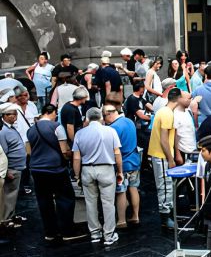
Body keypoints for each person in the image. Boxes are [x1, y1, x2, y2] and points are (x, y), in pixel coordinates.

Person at [28, 104, 80, 241]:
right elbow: (64, 151)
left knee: (44, 200)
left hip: (36, 169)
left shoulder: (31, 129)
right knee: (65, 198)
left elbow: (28, 151)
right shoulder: (56, 126)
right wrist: (70, 156)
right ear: (52, 113)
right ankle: (67, 230)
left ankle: (50, 232)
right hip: (55, 168)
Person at [72, 108, 123, 246]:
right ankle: (109, 235)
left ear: (87, 118)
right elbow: (117, 153)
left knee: (90, 203)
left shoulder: (80, 134)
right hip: (106, 169)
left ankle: (94, 233)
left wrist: (77, 175)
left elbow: (76, 158)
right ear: (101, 117)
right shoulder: (111, 131)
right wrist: (120, 172)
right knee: (108, 203)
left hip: (87, 170)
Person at [147, 87, 181, 226]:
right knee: (165, 187)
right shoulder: (167, 114)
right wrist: (171, 158)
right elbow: (164, 139)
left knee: (165, 186)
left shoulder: (162, 111)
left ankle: (167, 215)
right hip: (161, 155)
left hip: (158, 154)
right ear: (178, 99)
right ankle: (165, 217)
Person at [104, 104, 140, 229]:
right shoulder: (129, 121)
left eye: (104, 117)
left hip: (123, 163)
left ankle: (121, 220)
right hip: (134, 160)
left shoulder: (113, 128)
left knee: (121, 191)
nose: (104, 120)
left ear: (109, 114)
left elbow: (113, 149)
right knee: (134, 188)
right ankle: (135, 216)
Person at [0, 103, 27, 231]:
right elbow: (3, 153)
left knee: (13, 195)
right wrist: (6, 171)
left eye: (15, 114)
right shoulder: (3, 132)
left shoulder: (10, 128)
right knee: (8, 196)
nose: (15, 117)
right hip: (11, 168)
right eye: (12, 114)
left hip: (17, 167)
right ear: (4, 116)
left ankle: (11, 216)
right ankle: (6, 219)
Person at [172, 90, 198, 161]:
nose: (191, 100)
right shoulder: (175, 115)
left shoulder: (187, 111)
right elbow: (174, 135)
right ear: (180, 99)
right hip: (183, 151)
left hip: (192, 149)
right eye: (189, 98)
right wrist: (177, 154)